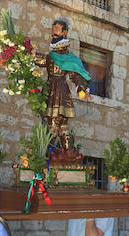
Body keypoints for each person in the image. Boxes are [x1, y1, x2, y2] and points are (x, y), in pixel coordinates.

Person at [33, 16, 91, 150]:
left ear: (65, 33)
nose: (54, 34)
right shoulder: (51, 56)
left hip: (61, 93)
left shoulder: (69, 58)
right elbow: (40, 60)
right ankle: (68, 154)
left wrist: (82, 90)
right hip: (50, 90)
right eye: (53, 31)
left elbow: (75, 75)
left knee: (55, 126)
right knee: (62, 128)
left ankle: (47, 156)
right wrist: (24, 52)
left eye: (57, 30)